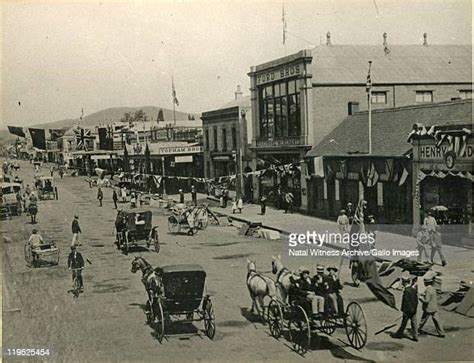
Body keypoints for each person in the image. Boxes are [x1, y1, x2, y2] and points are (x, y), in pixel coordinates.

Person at [393, 271, 419, 341]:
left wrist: (404, 310)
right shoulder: (413, 290)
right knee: (414, 324)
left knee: (403, 324)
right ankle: (415, 336)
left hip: (407, 311)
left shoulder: (406, 291)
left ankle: (399, 334)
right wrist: (414, 309)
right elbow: (416, 300)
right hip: (413, 310)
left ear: (404, 282)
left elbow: (405, 302)